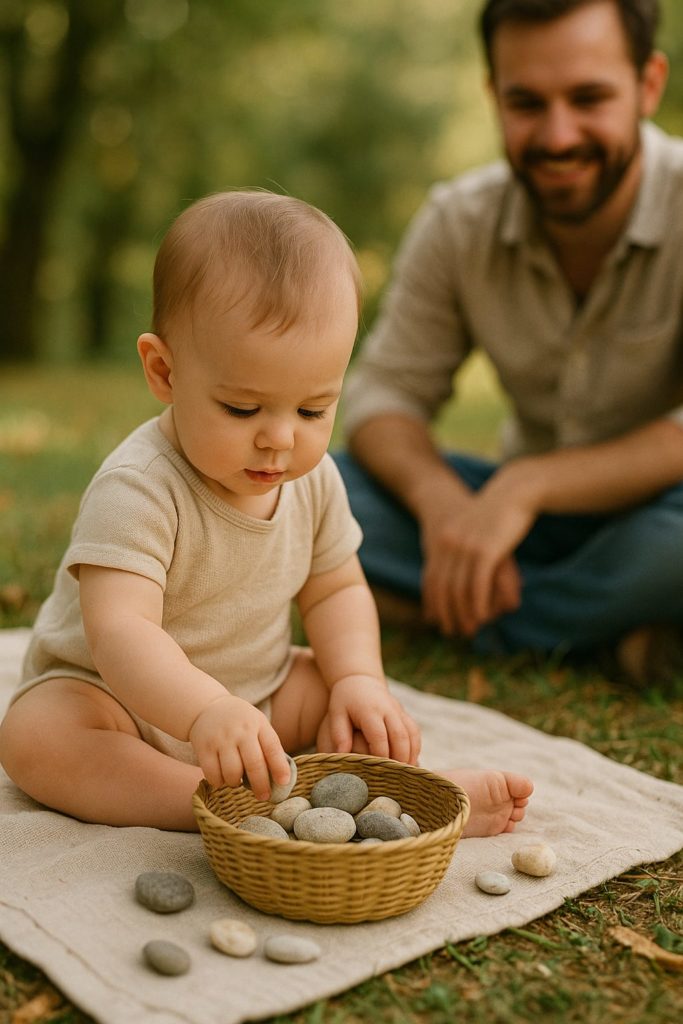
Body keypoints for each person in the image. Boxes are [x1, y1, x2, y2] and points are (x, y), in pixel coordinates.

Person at [0, 190, 532, 835]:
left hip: (263, 694)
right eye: (244, 409)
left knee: (343, 705)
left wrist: (359, 679)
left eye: (312, 411)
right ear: (165, 372)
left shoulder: (313, 480)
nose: (280, 439)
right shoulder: (138, 487)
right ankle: (204, 802)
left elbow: (336, 587)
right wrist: (203, 713)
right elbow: (121, 634)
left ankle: (411, 800)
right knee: (39, 736)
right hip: (121, 704)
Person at [337, 0, 683, 683]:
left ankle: (441, 612)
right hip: (506, 529)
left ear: (647, 84)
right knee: (315, 491)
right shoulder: (457, 221)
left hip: (659, 516)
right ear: (492, 94)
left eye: (588, 98)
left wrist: (529, 483)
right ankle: (608, 636)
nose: (557, 136)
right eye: (526, 103)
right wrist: (442, 508)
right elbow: (382, 396)